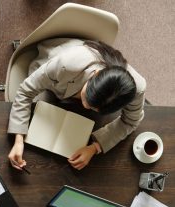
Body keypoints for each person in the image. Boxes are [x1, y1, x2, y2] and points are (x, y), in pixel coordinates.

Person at [8, 38, 146, 171]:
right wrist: (18, 139)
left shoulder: (137, 90)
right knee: (37, 110)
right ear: (96, 74)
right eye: (87, 96)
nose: (86, 106)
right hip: (52, 76)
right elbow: (26, 90)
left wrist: (94, 147)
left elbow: (130, 121)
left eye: (93, 107)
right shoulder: (68, 64)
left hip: (70, 94)